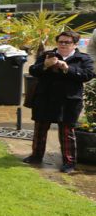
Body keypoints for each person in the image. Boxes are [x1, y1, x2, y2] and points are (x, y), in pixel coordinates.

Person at [23, 31, 95, 173]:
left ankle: (69, 163)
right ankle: (36, 156)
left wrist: (67, 68)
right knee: (40, 130)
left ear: (75, 44)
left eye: (67, 42)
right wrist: (45, 65)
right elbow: (33, 71)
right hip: (45, 98)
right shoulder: (47, 55)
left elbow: (88, 75)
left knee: (67, 132)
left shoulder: (83, 58)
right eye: (60, 42)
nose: (63, 44)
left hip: (69, 101)